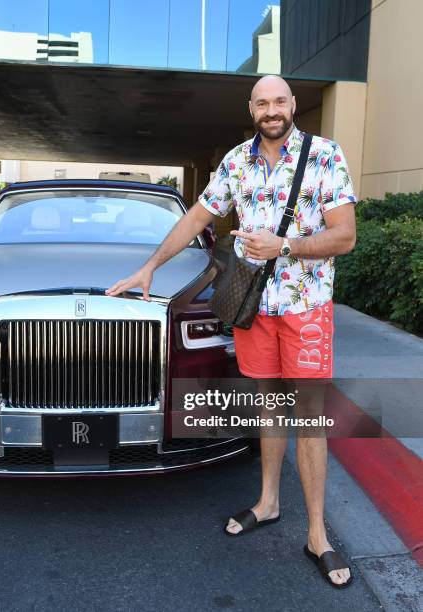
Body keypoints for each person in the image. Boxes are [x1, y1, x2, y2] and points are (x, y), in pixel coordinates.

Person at [105, 75, 357, 588]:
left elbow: (345, 236)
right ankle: (267, 502)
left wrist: (283, 246)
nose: (271, 109)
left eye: (279, 101)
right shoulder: (237, 160)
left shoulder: (326, 155)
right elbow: (198, 214)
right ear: (251, 108)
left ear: (293, 105)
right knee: (266, 404)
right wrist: (152, 264)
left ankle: (316, 534)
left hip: (305, 308)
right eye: (262, 102)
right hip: (252, 307)